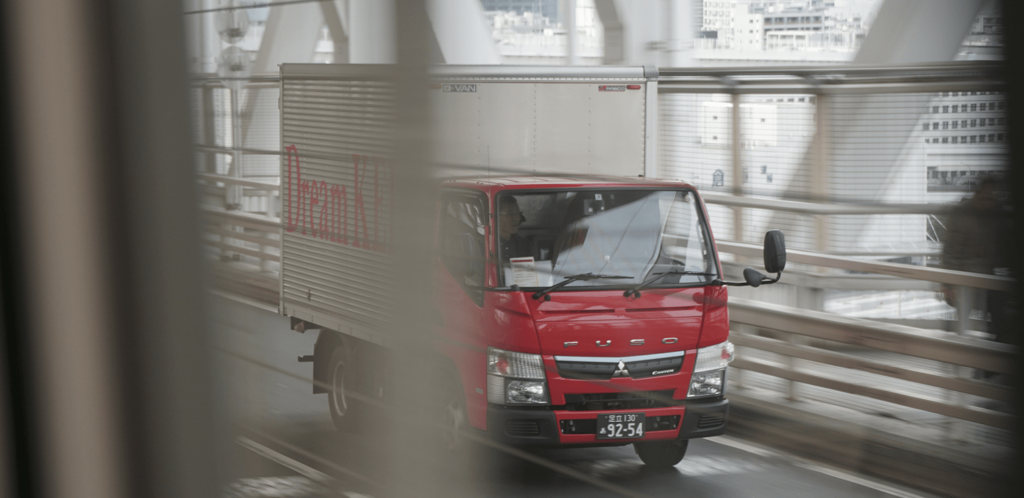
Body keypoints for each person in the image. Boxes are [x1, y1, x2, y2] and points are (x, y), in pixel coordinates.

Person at [941, 176, 1014, 346]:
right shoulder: (964, 214)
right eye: (985, 198)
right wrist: (949, 284)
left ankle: (976, 357)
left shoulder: (996, 214)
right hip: (967, 276)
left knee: (997, 319)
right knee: (975, 320)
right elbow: (950, 252)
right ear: (976, 194)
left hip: (984, 275)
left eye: (992, 198)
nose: (988, 202)